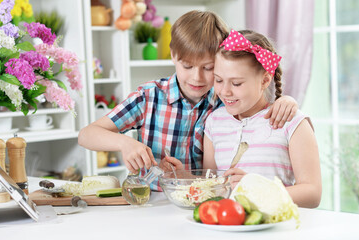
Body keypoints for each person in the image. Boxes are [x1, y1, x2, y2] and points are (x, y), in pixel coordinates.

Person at [78, 11, 298, 190]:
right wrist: (124, 143)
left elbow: (257, 108)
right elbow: (86, 135)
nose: (197, 77)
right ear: (173, 55)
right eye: (187, 66)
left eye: (209, 68)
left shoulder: (225, 102)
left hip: (201, 201)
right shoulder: (149, 97)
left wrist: (286, 100)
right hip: (151, 200)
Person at [203, 29, 322, 207]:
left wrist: (257, 190)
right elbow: (210, 183)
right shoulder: (214, 123)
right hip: (227, 227)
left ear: (265, 80)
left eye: (236, 83)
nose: (225, 91)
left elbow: (312, 194)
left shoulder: (291, 121)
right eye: (218, 80)